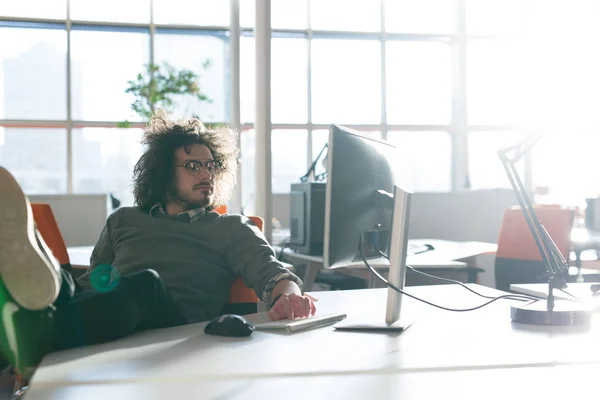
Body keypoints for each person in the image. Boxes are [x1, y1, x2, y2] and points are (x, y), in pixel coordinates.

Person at [0, 110, 316, 379]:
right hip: (114, 331)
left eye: (210, 166)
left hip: (175, 338)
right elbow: (97, 281)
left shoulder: (230, 227)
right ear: (163, 174)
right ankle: (33, 304)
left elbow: (274, 275)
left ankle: (31, 336)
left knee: (145, 285)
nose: (206, 173)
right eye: (193, 166)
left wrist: (290, 297)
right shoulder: (123, 220)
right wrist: (91, 282)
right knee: (64, 283)